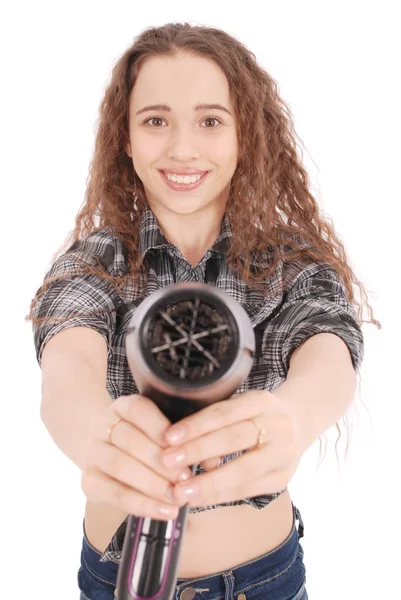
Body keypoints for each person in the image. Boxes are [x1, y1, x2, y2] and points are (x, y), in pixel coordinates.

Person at [27, 22, 380, 600]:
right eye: (156, 120)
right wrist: (96, 432)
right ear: (126, 137)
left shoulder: (292, 265)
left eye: (211, 121)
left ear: (247, 134)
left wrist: (293, 416)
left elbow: (330, 348)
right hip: (115, 579)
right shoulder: (93, 263)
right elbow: (67, 363)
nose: (182, 148)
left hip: (265, 582)